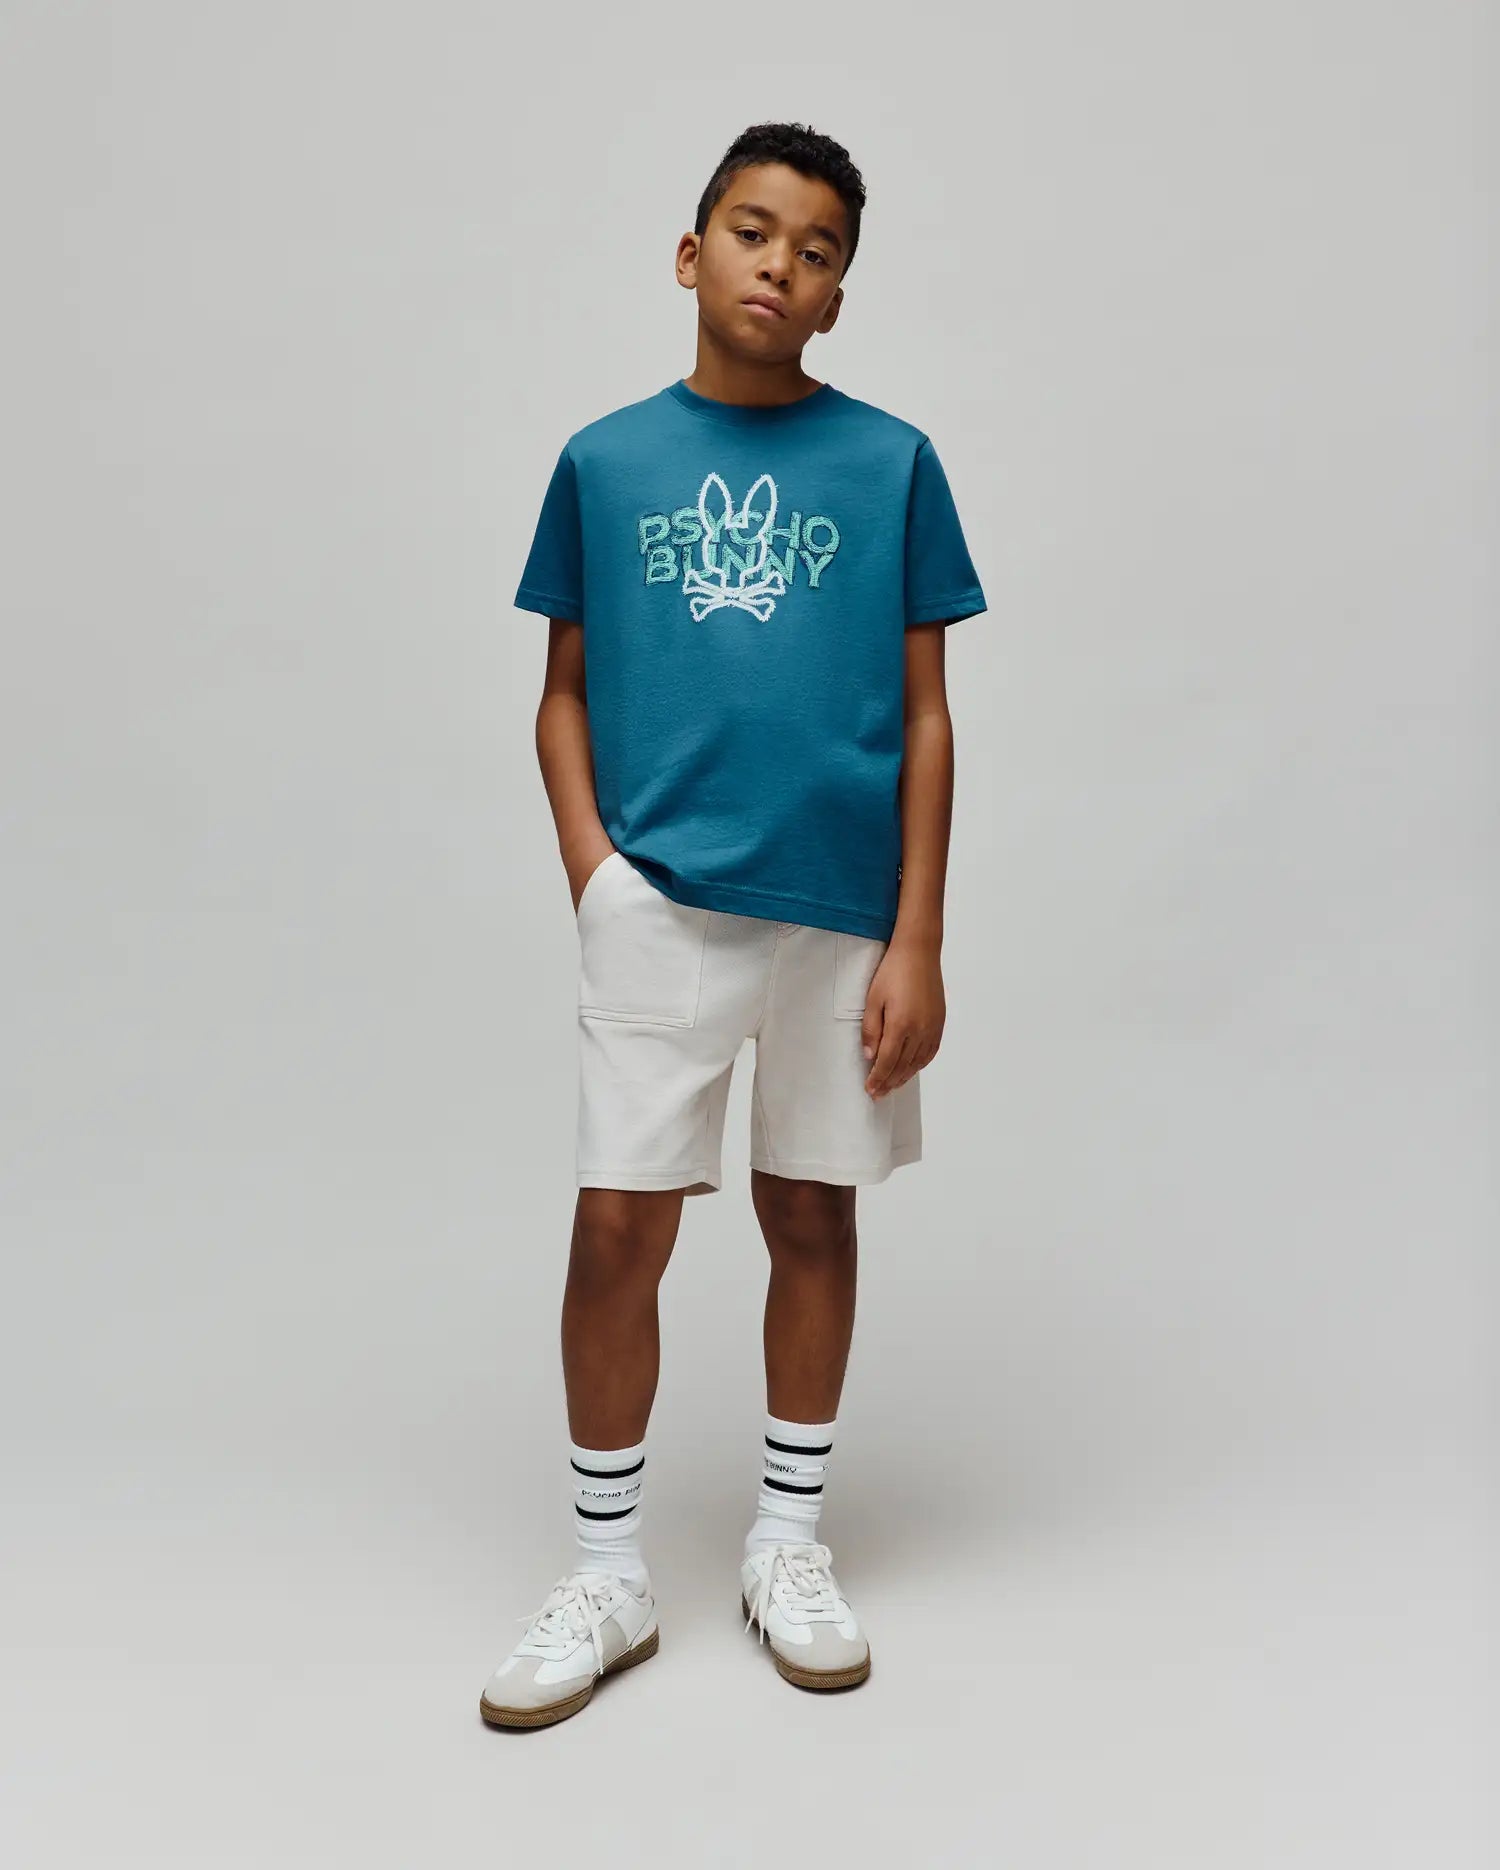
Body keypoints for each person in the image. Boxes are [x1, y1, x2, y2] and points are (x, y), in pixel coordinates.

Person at [479, 121, 986, 1729]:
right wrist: (595, 870)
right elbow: (563, 691)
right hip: (661, 900)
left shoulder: (891, 463)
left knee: (813, 1211)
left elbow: (927, 712)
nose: (783, 263)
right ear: (692, 255)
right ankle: (607, 1568)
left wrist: (920, 935)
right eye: (755, 232)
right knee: (617, 1229)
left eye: (818, 249)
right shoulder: (607, 461)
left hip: (842, 910)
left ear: (838, 296)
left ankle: (788, 1538)